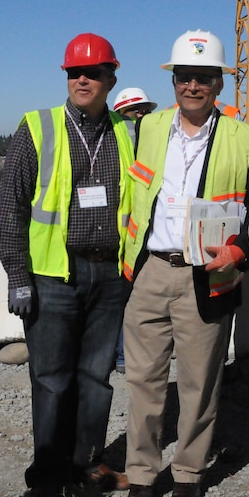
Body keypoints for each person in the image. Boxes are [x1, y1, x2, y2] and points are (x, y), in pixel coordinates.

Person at [121, 29, 249, 497]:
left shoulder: (246, 138)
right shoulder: (149, 128)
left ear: (219, 83)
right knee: (143, 380)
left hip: (208, 275)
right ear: (174, 80)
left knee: (200, 382)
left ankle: (187, 473)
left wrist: (242, 250)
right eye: (185, 76)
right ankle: (141, 476)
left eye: (204, 78)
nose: (193, 85)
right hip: (151, 271)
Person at [0, 33, 134, 497]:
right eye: (74, 72)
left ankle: (88, 464)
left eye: (92, 73)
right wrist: (17, 274)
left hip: (110, 275)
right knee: (52, 380)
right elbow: (9, 207)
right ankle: (48, 478)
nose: (82, 79)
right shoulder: (38, 127)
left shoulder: (126, 131)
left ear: (110, 78)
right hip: (53, 275)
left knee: (96, 378)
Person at [110, 86, 158, 374]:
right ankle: (121, 356)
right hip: (120, 233)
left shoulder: (151, 140)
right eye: (135, 111)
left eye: (145, 111)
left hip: (142, 234)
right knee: (120, 300)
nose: (141, 116)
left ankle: (125, 356)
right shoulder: (119, 140)